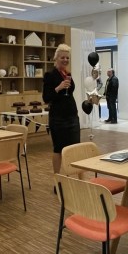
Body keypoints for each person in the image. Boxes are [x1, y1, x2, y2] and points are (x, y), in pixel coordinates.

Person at [42, 44, 79, 174]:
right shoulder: (49, 75)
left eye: (67, 58)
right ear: (56, 58)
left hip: (72, 116)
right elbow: (46, 98)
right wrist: (59, 88)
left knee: (76, 148)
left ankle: (80, 179)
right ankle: (57, 179)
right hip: (58, 118)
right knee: (58, 149)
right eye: (62, 57)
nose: (65, 60)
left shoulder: (68, 74)